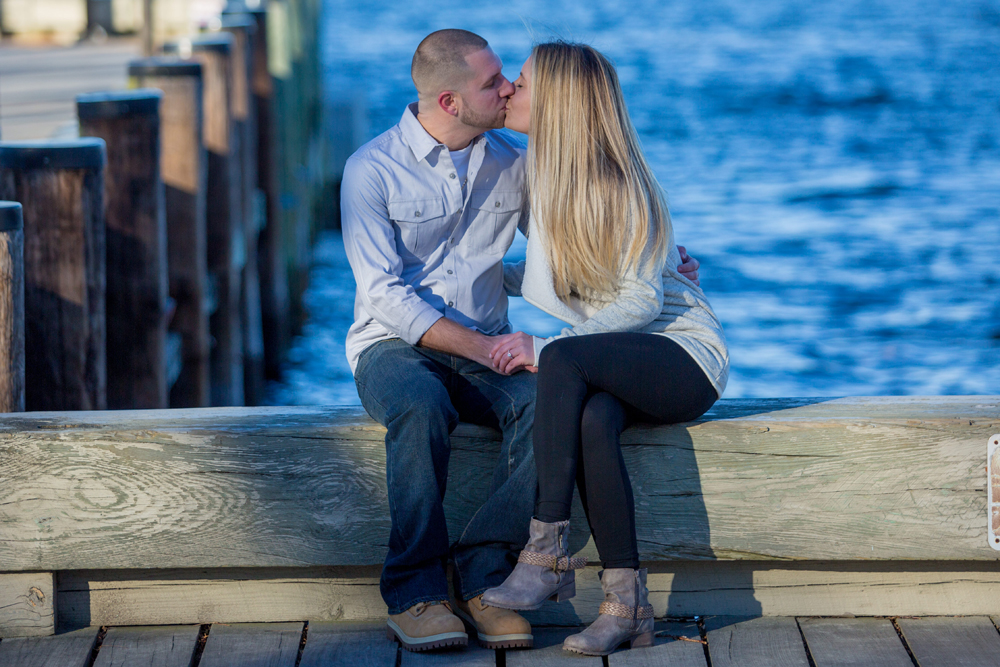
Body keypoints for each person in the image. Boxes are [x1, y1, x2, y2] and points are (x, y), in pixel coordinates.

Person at [341, 29, 702, 653]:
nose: (508, 88)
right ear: (450, 102)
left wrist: (661, 260)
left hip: (486, 344)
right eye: (493, 82)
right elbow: (385, 297)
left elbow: (575, 245)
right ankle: (415, 591)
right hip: (394, 345)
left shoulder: (517, 162)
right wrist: (489, 349)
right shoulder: (369, 171)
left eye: (511, 77)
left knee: (547, 404)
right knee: (421, 405)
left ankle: (487, 574)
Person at [481, 42, 729, 657]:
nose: (510, 89)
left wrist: (545, 346)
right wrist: (476, 279)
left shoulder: (614, 184)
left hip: (681, 355)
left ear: (559, 103)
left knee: (561, 359)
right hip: (619, 358)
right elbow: (563, 276)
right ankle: (628, 608)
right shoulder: (543, 175)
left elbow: (642, 303)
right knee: (593, 419)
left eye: (522, 82)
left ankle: (545, 555)